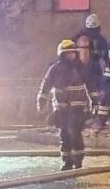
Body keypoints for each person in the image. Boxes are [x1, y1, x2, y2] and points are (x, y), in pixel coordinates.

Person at [38, 39, 95, 170]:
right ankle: (67, 161)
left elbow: (91, 86)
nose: (71, 56)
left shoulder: (80, 68)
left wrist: (95, 103)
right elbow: (46, 86)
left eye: (73, 53)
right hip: (61, 108)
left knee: (74, 132)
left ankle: (78, 160)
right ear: (62, 54)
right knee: (64, 134)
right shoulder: (54, 70)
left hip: (78, 108)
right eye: (68, 53)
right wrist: (41, 102)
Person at [70, 13, 110, 129]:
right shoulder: (100, 39)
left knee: (82, 92)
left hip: (79, 69)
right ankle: (95, 116)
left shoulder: (78, 37)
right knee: (96, 92)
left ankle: (82, 116)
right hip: (94, 69)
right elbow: (106, 55)